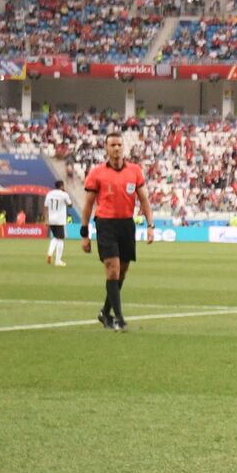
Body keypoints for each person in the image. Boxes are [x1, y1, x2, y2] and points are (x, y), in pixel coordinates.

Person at [80, 131, 154, 332]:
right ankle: (119, 319)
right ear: (106, 148)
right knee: (112, 269)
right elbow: (87, 205)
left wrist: (150, 225)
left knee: (121, 272)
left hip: (126, 224)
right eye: (112, 145)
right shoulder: (97, 173)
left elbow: (144, 199)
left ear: (124, 147)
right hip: (105, 224)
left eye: (119, 145)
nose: (116, 148)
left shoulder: (135, 171)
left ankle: (105, 312)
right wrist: (84, 233)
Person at [44, 180, 72, 267]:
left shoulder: (49, 194)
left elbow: (45, 207)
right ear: (62, 186)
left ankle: (50, 253)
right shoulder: (64, 194)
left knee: (56, 237)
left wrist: (46, 220)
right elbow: (70, 205)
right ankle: (57, 260)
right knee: (60, 239)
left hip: (51, 219)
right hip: (60, 220)